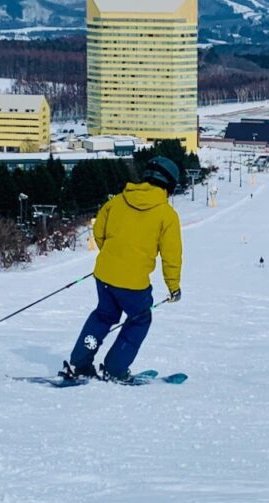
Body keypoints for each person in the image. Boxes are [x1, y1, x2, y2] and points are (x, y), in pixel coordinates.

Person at [64, 156, 183, 382]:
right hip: (134, 284)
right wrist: (173, 286)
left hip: (105, 276)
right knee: (139, 320)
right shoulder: (166, 215)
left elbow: (99, 230)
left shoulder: (118, 201)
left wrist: (112, 256)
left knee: (103, 316)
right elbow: (171, 256)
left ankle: (80, 362)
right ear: (170, 185)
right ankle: (115, 369)